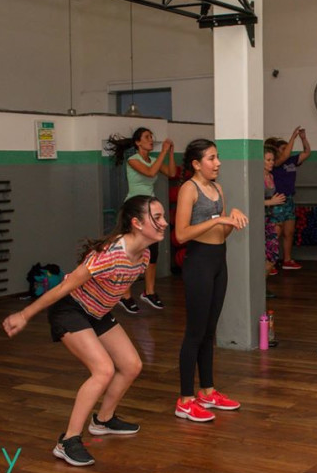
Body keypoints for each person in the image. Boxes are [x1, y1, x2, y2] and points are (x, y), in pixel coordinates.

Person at [2, 195, 167, 466]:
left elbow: (115, 287)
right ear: (137, 223)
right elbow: (63, 287)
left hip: (97, 312)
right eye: (157, 217)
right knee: (103, 370)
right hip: (70, 309)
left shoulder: (144, 254)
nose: (164, 223)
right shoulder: (109, 254)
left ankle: (103, 420)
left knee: (131, 365)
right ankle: (68, 441)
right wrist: (24, 314)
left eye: (163, 217)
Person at [173, 139, 248, 421]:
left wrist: (231, 220)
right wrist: (217, 220)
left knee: (209, 330)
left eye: (217, 158)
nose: (218, 163)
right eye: (211, 158)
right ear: (196, 164)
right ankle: (185, 399)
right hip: (199, 263)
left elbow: (221, 233)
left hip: (218, 261)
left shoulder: (218, 189)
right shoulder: (188, 189)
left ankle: (207, 391)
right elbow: (181, 234)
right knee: (195, 332)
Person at [107, 128, 177, 313]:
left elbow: (171, 173)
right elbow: (150, 172)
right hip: (133, 209)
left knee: (152, 252)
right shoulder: (133, 160)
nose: (151, 140)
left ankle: (149, 292)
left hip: (149, 209)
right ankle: (125, 295)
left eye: (152, 137)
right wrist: (162, 151)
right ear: (138, 142)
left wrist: (170, 153)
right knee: (131, 253)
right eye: (147, 137)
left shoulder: (153, 159)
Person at [267, 127, 311, 270]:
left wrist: (303, 139)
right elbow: (283, 156)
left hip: (289, 199)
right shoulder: (275, 163)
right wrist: (293, 137)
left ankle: (287, 260)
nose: (287, 150)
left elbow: (307, 152)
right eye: (283, 148)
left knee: (289, 232)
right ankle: (270, 263)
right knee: (275, 233)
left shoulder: (292, 160)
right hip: (277, 200)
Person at [263, 145, 285, 278]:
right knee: (266, 254)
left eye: (272, 160)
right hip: (260, 220)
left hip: (271, 219)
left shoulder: (270, 176)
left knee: (272, 255)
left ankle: (261, 284)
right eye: (268, 160)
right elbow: (251, 202)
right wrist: (271, 202)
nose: (271, 162)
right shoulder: (256, 178)